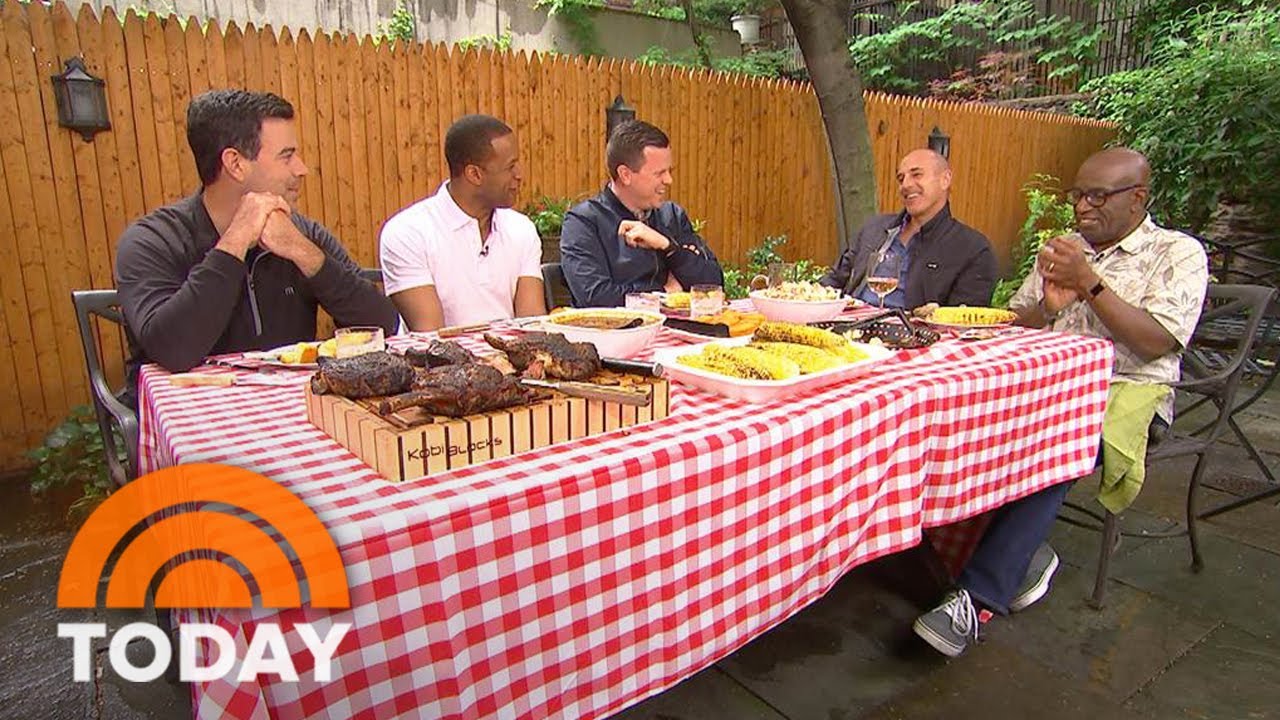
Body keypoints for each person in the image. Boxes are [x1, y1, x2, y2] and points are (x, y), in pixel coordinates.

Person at [912, 147, 1209, 657]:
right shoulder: (1064, 250)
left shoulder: (1177, 253)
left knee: (1054, 447)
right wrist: (1048, 309)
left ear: (1137, 197)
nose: (1082, 207)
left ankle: (976, 599)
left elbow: (1156, 342)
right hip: (1044, 388)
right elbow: (1012, 324)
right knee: (960, 419)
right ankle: (993, 550)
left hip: (1125, 393)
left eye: (1098, 196)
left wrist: (1089, 282)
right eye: (1077, 196)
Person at [115, 89, 398, 392]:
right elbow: (172, 350)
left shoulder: (302, 233)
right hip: (191, 412)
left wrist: (302, 252)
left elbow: (383, 325)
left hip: (291, 405)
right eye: (287, 156)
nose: (301, 169)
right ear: (235, 164)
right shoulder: (152, 241)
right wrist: (236, 240)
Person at [379, 115, 546, 332]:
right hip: (440, 354)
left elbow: (532, 326)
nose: (520, 175)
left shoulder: (522, 229)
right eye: (510, 166)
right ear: (474, 174)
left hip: (512, 351)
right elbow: (430, 336)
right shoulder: (407, 233)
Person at [560, 120, 723, 308]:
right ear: (625, 175)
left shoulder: (672, 216)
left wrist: (668, 247)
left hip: (682, 325)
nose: (669, 180)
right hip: (621, 328)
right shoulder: (583, 222)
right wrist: (664, 294)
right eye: (659, 173)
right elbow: (595, 298)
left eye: (669, 171)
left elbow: (713, 285)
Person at [819, 149, 996, 308]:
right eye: (901, 178)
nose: (906, 185)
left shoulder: (972, 249)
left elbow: (964, 320)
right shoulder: (874, 229)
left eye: (916, 175)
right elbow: (834, 280)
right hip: (849, 325)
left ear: (945, 180)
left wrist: (931, 314)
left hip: (913, 332)